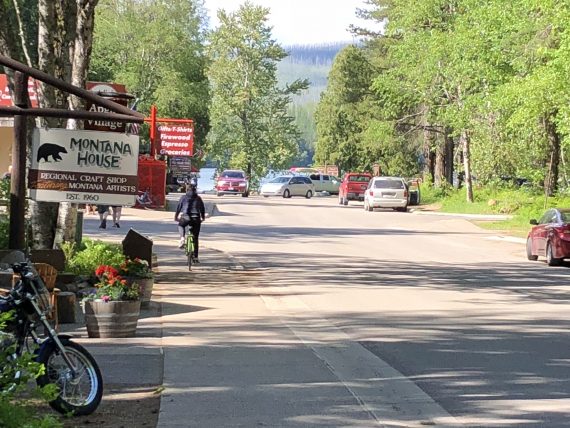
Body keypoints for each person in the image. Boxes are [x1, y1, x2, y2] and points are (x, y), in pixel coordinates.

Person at [174, 184, 205, 262]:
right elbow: (202, 209)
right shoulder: (198, 198)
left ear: (187, 190)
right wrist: (203, 217)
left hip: (185, 217)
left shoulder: (183, 197)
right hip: (196, 218)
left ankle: (182, 238)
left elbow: (179, 207)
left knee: (181, 225)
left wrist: (176, 217)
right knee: (195, 238)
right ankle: (195, 257)